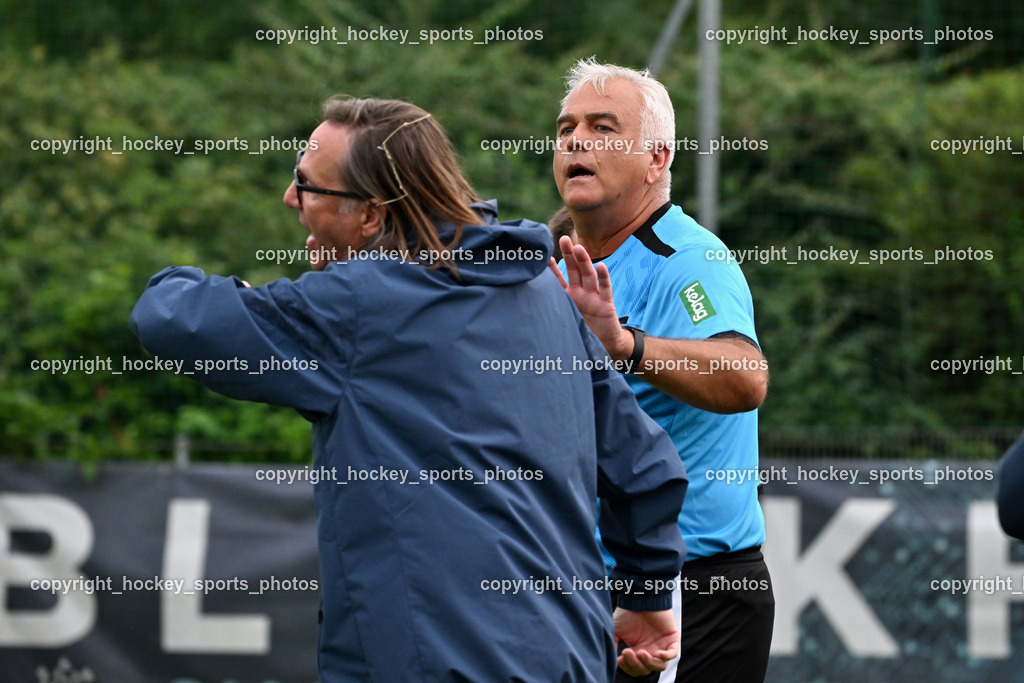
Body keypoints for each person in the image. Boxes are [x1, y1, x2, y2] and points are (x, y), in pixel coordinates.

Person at [130, 95, 689, 682]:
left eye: (307, 185)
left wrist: (241, 294)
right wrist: (649, 593)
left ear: (371, 216)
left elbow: (169, 315)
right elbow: (643, 465)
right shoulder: (545, 293)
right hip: (570, 659)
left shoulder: (356, 306)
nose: (291, 198)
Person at [548, 58, 774, 682]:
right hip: (585, 587)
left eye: (602, 127)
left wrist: (624, 345)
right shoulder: (553, 261)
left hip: (692, 591)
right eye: (567, 129)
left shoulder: (689, 261)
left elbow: (744, 376)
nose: (577, 141)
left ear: (656, 160)